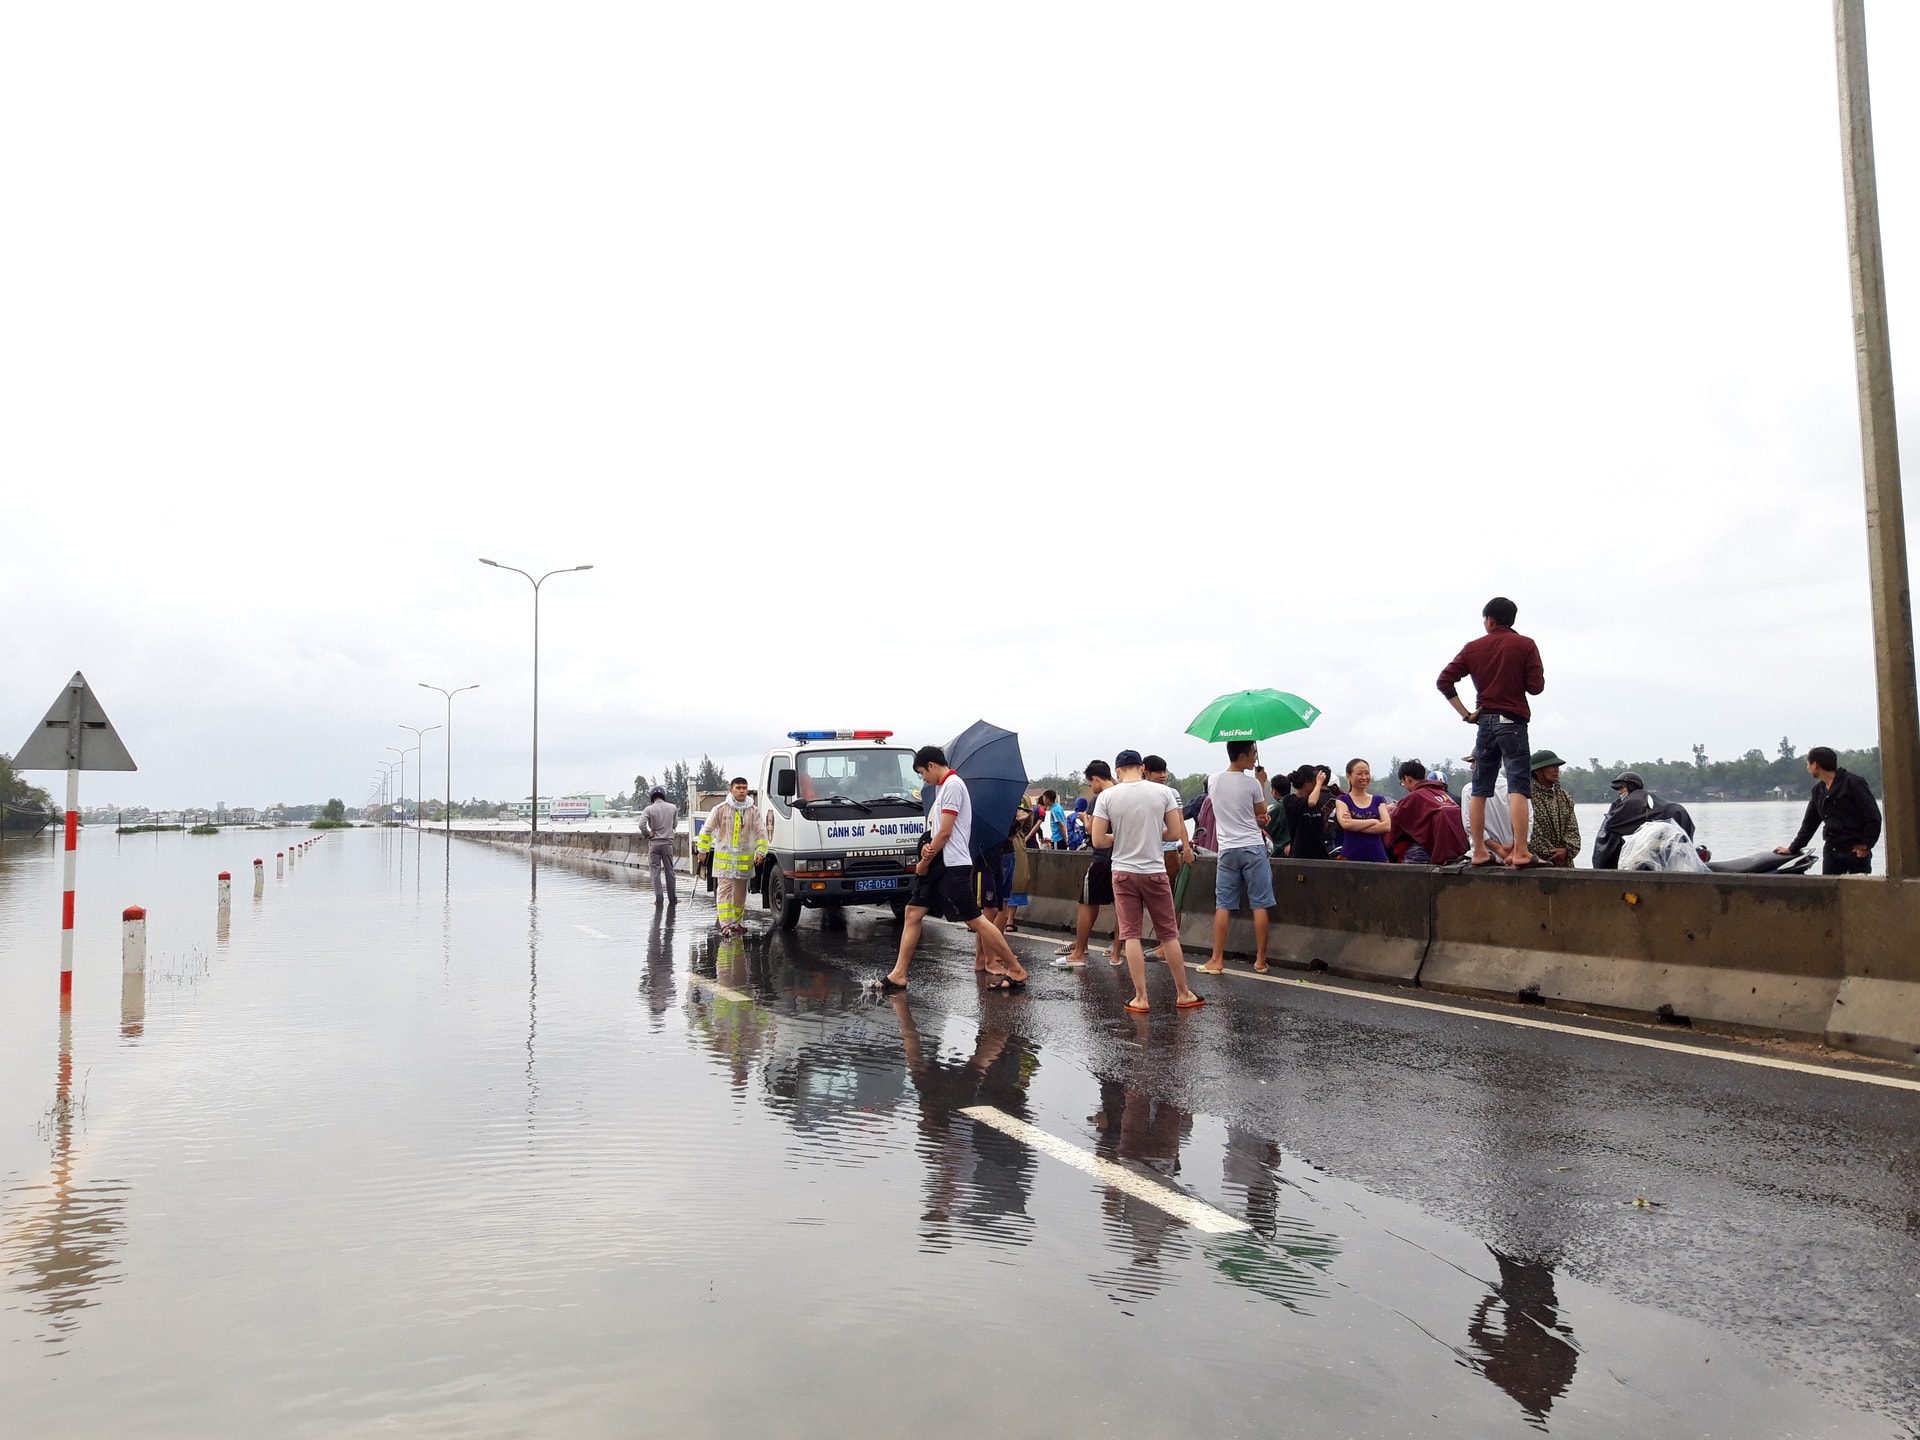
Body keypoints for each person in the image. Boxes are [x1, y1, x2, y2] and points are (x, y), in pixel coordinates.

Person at [880, 746, 1027, 990]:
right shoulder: (942, 787)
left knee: (976, 920)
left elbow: (946, 831)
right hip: (941, 862)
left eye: (921, 772)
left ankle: (1016, 968)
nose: (923, 778)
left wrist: (926, 859)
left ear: (931, 765)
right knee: (912, 913)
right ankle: (899, 973)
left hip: (952, 865)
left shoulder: (953, 786)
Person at [1091, 750, 1203, 1013]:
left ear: (1117, 771)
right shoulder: (1162, 793)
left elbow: (1098, 840)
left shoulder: (1107, 796)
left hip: (1123, 873)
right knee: (1168, 933)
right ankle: (1183, 993)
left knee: (1131, 933)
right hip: (1154, 870)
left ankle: (1140, 998)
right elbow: (1174, 832)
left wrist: (1121, 836)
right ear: (1142, 767)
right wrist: (1151, 834)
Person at [1438, 596, 1545, 868]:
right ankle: (1521, 851)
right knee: (1518, 786)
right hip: (1513, 721)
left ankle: (1479, 853)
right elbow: (1536, 687)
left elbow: (1444, 680)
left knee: (1479, 789)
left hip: (1484, 722)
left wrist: (1465, 714)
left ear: (1489, 619)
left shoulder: (1474, 648)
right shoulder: (1525, 645)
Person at [1202, 739, 1272, 975]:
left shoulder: (1213, 779)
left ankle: (1216, 959)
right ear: (1242, 755)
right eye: (1252, 753)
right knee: (1260, 904)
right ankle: (1261, 960)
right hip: (1252, 847)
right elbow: (1261, 813)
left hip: (1227, 849)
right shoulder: (1252, 783)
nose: (1254, 757)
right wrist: (1260, 783)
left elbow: (1231, 808)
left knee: (1223, 905)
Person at [1776, 745, 1882, 875]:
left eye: (1808, 764)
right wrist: (1793, 848)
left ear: (1815, 765)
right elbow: (1809, 824)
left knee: (1859, 893)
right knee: (1830, 892)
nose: (1807, 768)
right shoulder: (1818, 791)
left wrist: (1866, 844)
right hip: (1832, 849)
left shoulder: (1853, 783)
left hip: (1855, 850)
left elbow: (1873, 817)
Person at [1054, 761, 1116, 967]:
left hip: (1103, 856)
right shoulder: (1123, 793)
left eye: (1090, 783)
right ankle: (1117, 950)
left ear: (1096, 779)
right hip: (1122, 858)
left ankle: (1080, 951)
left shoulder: (1100, 798)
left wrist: (1085, 820)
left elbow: (1092, 831)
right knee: (1123, 907)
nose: (1091, 787)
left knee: (1087, 903)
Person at [694, 778, 767, 937]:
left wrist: (761, 852)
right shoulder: (720, 809)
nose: (742, 790)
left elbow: (761, 833)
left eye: (744, 788)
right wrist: (702, 850)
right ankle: (725, 925)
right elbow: (706, 831)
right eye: (738, 788)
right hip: (724, 862)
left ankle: (736, 923)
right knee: (724, 892)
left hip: (744, 862)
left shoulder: (753, 811)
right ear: (731, 789)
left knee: (740, 894)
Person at [1591, 772, 1697, 870]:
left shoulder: (1634, 800)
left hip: (1651, 849)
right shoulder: (1639, 799)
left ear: (1632, 786)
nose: (1620, 791)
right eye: (1618, 789)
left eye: (1622, 787)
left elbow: (1612, 824)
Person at [1388, 760, 1470, 866]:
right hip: (1459, 850)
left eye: (1402, 783)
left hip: (1432, 850)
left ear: (1407, 778)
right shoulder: (1444, 794)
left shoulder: (1414, 797)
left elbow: (1393, 824)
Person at [1526, 751, 1580, 867]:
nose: (1556, 770)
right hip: (1537, 864)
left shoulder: (1564, 797)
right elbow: (1532, 833)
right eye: (1551, 766)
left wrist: (1566, 851)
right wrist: (1550, 854)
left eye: (1557, 766)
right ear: (1537, 771)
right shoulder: (1527, 797)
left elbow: (1573, 830)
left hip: (1565, 864)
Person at [1332, 759, 1393, 863]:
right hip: (1351, 856)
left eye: (1367, 773)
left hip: (1377, 856)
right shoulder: (1342, 800)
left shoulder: (1378, 799)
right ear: (1348, 776)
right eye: (1359, 774)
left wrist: (1354, 824)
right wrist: (1374, 821)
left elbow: (1386, 826)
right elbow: (1346, 824)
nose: (1364, 777)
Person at [1462, 750, 1515, 862]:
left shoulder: (1470, 789)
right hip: (1513, 854)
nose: (1471, 767)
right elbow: (1528, 820)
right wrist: (1515, 848)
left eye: (1474, 762)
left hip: (1485, 855)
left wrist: (1498, 849)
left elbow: (1469, 825)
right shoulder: (1514, 787)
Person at [1282, 764, 1331, 862]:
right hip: (1301, 855)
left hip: (1320, 855)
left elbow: (1322, 829)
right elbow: (1310, 802)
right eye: (1315, 781)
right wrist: (1319, 784)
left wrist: (1326, 816)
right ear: (1307, 782)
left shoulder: (1316, 802)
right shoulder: (1290, 800)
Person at [640, 786, 680, 905]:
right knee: (670, 871)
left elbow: (641, 825)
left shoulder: (648, 809)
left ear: (652, 796)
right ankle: (672, 898)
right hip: (667, 844)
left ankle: (659, 898)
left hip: (654, 844)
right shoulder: (673, 808)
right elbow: (674, 825)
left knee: (655, 872)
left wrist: (648, 834)